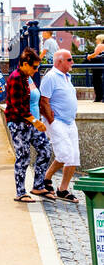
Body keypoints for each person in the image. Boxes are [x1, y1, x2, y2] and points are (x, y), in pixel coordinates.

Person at [5, 49, 53, 203]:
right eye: (34, 67)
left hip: (32, 122)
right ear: (25, 64)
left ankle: (38, 185)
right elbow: (18, 107)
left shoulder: (28, 78)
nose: (36, 70)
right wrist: (35, 121)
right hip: (19, 124)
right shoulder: (15, 79)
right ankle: (20, 192)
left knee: (45, 150)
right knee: (23, 157)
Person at [40, 49, 81, 203]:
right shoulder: (51, 77)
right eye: (69, 60)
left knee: (74, 157)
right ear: (59, 62)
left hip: (70, 121)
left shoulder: (66, 76)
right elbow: (44, 100)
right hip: (57, 122)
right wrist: (51, 121)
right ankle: (46, 177)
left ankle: (62, 190)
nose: (72, 62)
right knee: (64, 154)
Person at [86, 34, 104, 103]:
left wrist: (89, 56)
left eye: (97, 39)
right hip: (101, 64)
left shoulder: (100, 46)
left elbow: (95, 54)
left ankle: (98, 97)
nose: (96, 41)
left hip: (98, 65)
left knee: (96, 80)